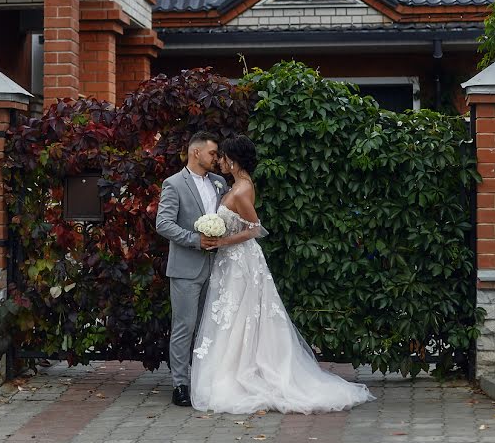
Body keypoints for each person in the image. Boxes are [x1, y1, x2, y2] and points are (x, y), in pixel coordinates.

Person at [190, 135, 375, 414]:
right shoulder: (234, 185)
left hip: (241, 263)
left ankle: (245, 373)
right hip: (231, 262)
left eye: (223, 156)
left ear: (234, 160)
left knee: (242, 316)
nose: (220, 161)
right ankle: (231, 369)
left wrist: (223, 241)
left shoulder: (241, 190)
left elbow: (256, 229)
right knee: (232, 316)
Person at [155, 131, 229, 407]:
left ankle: (205, 380)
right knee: (184, 326)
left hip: (218, 266)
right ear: (196, 152)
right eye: (212, 153)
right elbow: (163, 224)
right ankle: (180, 384)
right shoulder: (173, 184)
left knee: (210, 327)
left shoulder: (220, 183)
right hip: (186, 268)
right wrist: (195, 240)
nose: (216, 158)